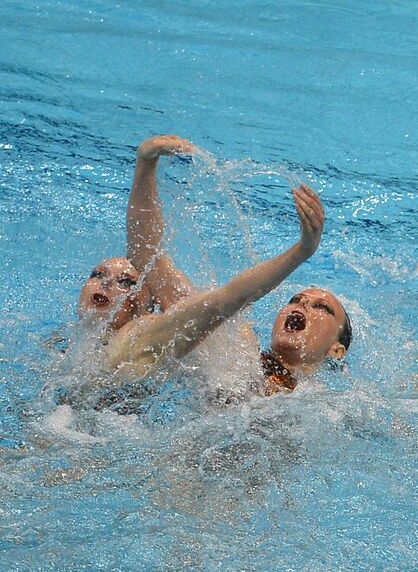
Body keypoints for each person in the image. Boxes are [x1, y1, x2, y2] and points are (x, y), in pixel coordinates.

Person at [77, 135, 347, 395]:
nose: (301, 306)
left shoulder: (331, 406)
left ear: (336, 349)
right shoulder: (232, 348)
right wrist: (146, 164)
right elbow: (150, 258)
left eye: (322, 308)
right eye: (296, 299)